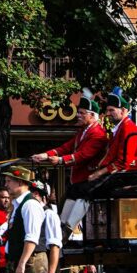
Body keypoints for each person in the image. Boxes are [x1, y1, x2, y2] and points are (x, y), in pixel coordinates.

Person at [64, 92, 137, 229]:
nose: (108, 113)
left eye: (112, 110)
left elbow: (123, 163)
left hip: (128, 174)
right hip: (120, 173)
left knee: (86, 189)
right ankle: (64, 226)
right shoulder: (120, 128)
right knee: (75, 189)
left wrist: (99, 173)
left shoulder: (128, 128)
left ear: (124, 111)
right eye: (108, 110)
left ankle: (67, 229)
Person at [30, 94, 109, 233]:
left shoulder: (98, 134)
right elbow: (66, 147)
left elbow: (84, 155)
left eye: (81, 113)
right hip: (79, 181)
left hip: (88, 180)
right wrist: (45, 155)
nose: (78, 115)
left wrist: (60, 160)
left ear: (92, 115)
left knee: (71, 218)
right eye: (78, 112)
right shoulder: (83, 131)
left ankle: (66, 230)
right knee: (62, 220)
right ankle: (62, 231)